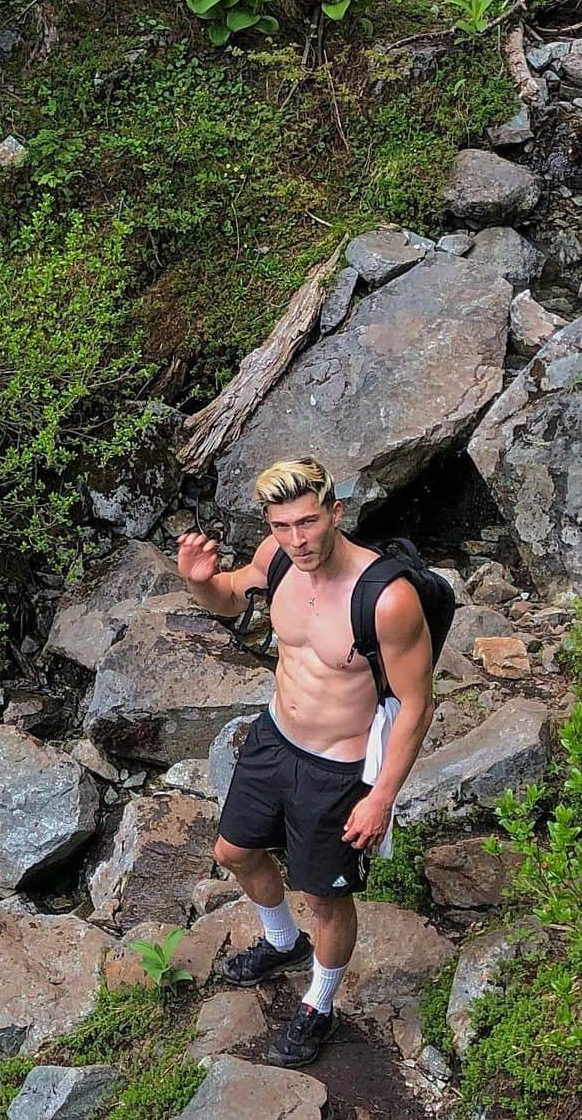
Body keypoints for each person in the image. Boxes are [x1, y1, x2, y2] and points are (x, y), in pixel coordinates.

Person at [177, 457, 434, 1068]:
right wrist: (197, 580)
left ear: (337, 512)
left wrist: (380, 797)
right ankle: (281, 941)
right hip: (274, 740)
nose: (299, 539)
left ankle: (320, 1003)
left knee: (323, 897)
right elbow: (226, 596)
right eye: (283, 524)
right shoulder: (278, 557)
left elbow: (418, 705)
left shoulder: (388, 599)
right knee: (234, 852)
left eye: (309, 522)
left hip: (339, 769)